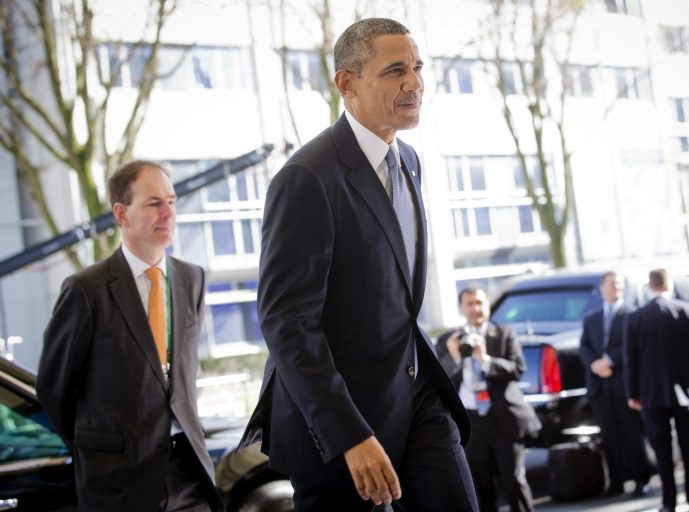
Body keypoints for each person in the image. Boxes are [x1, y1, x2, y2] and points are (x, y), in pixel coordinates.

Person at [237, 18, 478, 511]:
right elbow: (286, 321)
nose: (414, 84)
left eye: (417, 68)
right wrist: (348, 435)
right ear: (346, 84)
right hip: (337, 420)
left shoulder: (408, 160)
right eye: (395, 71)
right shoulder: (307, 177)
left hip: (416, 396)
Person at [36, 161, 223, 511]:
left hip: (189, 473)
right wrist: (99, 449)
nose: (168, 213)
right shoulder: (85, 290)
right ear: (121, 214)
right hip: (118, 481)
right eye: (154, 203)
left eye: (172, 201)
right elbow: (54, 388)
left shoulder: (191, 279)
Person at [435, 286, 540, 512]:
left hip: (503, 419)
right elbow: (438, 381)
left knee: (514, 481)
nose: (476, 309)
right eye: (469, 304)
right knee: (480, 485)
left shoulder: (503, 333)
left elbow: (517, 368)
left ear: (488, 306)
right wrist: (454, 357)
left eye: (480, 303)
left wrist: (485, 360)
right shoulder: (448, 340)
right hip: (471, 422)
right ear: (461, 309)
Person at [625, 268, 689, 512]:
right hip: (686, 390)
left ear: (649, 287)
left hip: (652, 394)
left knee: (662, 451)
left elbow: (631, 359)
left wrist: (633, 393)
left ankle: (668, 502)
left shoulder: (636, 318)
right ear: (669, 284)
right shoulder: (688, 311)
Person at [578, 272, 650, 497]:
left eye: (619, 284)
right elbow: (584, 347)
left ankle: (640, 479)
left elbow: (634, 346)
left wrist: (610, 361)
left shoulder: (631, 313)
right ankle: (616, 481)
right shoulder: (591, 318)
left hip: (623, 384)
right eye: (611, 284)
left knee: (632, 433)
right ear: (602, 289)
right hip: (600, 387)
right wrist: (595, 365)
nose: (616, 288)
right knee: (609, 437)